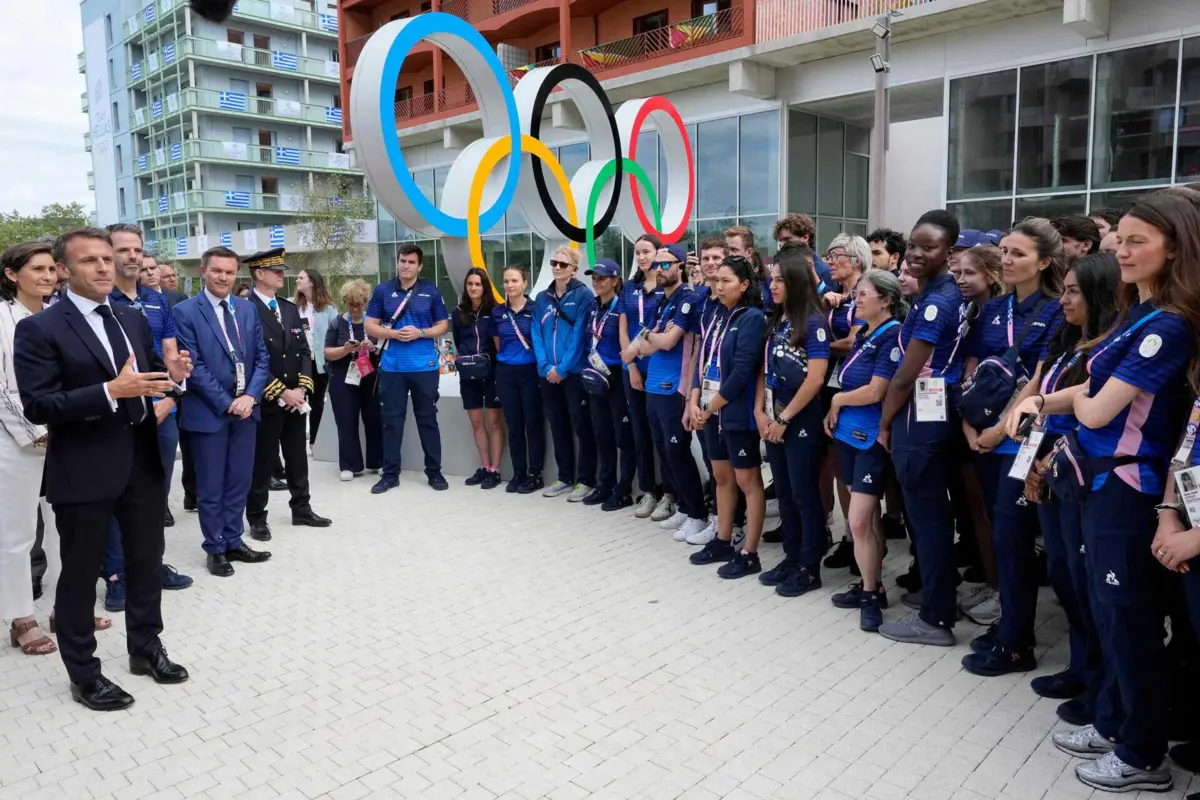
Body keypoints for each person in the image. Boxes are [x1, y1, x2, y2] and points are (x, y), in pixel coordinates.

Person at [1050, 194, 1200, 794]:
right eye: (1122, 240)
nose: (1122, 250)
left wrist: (1076, 403)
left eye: (1138, 241)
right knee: (1110, 616)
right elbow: (1087, 387)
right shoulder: (1139, 314)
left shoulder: (1168, 325)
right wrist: (1047, 399)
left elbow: (1098, 405)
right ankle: (1115, 721)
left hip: (1129, 486)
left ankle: (1141, 755)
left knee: (1129, 620)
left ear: (1177, 247)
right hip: (1104, 482)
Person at [13, 227, 191, 710]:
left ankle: (146, 649)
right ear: (65, 271)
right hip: (85, 467)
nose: (103, 268)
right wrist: (112, 392)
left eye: (107, 259)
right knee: (80, 574)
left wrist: (171, 381)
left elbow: (150, 375)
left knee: (145, 563)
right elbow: (38, 404)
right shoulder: (39, 329)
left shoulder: (132, 318)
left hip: (141, 460)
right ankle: (84, 674)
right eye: (90, 261)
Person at [1006, 251, 1119, 727]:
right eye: (1065, 289)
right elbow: (1040, 392)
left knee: (1086, 578)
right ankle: (1080, 668)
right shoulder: (1070, 339)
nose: (1064, 299)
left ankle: (1101, 685)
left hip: (1082, 469)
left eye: (1074, 291)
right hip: (1050, 467)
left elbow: (1092, 415)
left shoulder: (1112, 347)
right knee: (1065, 570)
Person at [959, 218, 1065, 676]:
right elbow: (974, 369)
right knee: (999, 535)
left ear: (1044, 261)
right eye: (1004, 250)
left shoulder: (1057, 309)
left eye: (1018, 253)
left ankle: (1018, 641)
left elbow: (1041, 378)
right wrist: (968, 425)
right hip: (982, 437)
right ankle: (1010, 624)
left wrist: (1000, 431)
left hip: (1022, 441)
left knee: (1013, 538)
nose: (1006, 259)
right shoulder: (994, 309)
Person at [877, 209, 967, 647]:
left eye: (928, 247)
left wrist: (884, 422)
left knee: (928, 521)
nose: (914, 254)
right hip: (929, 417)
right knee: (930, 519)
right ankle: (938, 597)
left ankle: (935, 618)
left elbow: (905, 375)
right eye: (913, 244)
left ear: (949, 252)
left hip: (919, 419)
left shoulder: (936, 302)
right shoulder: (941, 293)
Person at [103, 223, 193, 608]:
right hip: (114, 414)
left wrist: (170, 397)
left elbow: (170, 358)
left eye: (137, 249)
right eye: (123, 249)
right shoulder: (98, 301)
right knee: (114, 495)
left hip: (161, 409)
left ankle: (151, 564)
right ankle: (116, 573)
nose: (132, 256)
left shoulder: (157, 301)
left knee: (153, 493)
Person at [172, 246, 273, 578]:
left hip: (246, 411)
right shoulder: (186, 312)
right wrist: (227, 401)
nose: (223, 277)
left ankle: (233, 539)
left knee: (239, 481)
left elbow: (261, 358)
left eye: (230, 272)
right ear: (203, 271)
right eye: (217, 271)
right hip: (209, 412)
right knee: (211, 485)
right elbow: (194, 366)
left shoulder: (245, 309)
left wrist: (250, 397)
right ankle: (214, 548)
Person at [823, 269, 905, 631]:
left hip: (872, 438)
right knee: (866, 519)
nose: (855, 299)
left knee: (857, 520)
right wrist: (837, 408)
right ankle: (873, 585)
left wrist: (838, 399)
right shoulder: (865, 334)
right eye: (855, 294)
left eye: (863, 294)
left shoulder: (893, 335)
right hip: (848, 435)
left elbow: (876, 390)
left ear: (886, 300)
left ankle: (871, 592)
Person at [748, 244, 831, 597]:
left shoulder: (813, 321)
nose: (773, 286)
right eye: (771, 279)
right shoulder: (776, 319)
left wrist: (783, 417)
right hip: (773, 415)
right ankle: (791, 555)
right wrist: (760, 412)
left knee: (803, 493)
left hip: (801, 418)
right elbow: (764, 371)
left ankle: (809, 566)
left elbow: (816, 378)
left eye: (780, 280)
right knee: (783, 492)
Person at [687, 255, 767, 576]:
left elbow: (742, 371)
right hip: (709, 409)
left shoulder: (752, 319)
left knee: (748, 480)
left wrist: (709, 407)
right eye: (716, 281)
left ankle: (749, 552)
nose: (718, 287)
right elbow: (701, 358)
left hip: (734, 413)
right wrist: (694, 399)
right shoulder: (714, 313)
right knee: (721, 477)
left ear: (744, 285)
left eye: (726, 281)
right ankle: (723, 538)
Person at [243, 249, 331, 541]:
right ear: (258, 273)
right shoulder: (245, 308)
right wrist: (281, 392)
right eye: (275, 270)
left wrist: (302, 388)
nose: (282, 274)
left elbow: (304, 351)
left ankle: (302, 508)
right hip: (268, 399)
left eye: (282, 270)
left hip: (295, 398)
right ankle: (256, 516)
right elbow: (249, 358)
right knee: (262, 460)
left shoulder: (290, 308)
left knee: (297, 456)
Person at [1, 241, 62, 656]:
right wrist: (34, 433)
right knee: (18, 533)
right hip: (17, 441)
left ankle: (64, 607)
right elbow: (4, 388)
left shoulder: (57, 316)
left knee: (63, 526)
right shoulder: (4, 320)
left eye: (51, 269)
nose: (47, 276)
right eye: (36, 269)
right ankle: (21, 617)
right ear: (11, 274)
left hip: (65, 436)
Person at [629, 244, 707, 541]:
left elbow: (668, 342)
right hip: (653, 386)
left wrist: (648, 336)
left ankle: (698, 514)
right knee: (664, 450)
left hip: (673, 386)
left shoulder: (687, 300)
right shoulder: (663, 300)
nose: (659, 270)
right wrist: (650, 338)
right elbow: (650, 341)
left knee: (677, 450)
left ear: (680, 266)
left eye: (665, 265)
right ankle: (686, 509)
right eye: (656, 266)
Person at [366, 244, 449, 493]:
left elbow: (443, 325)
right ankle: (390, 474)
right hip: (392, 367)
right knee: (392, 422)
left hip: (424, 366)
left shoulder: (431, 292)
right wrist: (393, 334)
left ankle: (434, 472)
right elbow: (370, 325)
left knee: (428, 420)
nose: (406, 266)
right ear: (397, 262)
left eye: (411, 262)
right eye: (402, 261)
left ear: (420, 266)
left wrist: (420, 332)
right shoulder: (382, 291)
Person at [821, 234, 871, 574]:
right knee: (837, 467)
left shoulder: (867, 295)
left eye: (836, 256)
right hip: (832, 386)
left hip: (857, 391)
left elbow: (855, 342)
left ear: (855, 260)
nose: (830, 261)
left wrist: (815, 345)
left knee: (855, 474)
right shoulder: (840, 298)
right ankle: (850, 539)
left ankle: (863, 542)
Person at [532, 246, 596, 501]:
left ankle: (586, 479)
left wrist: (563, 368)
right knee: (558, 425)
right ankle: (565, 476)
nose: (557, 267)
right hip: (548, 374)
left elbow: (580, 335)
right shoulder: (542, 298)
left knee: (581, 426)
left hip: (573, 373)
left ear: (574, 269)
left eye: (563, 264)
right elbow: (536, 333)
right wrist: (546, 367)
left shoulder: (584, 296)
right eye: (554, 263)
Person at [619, 234, 670, 520]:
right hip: (635, 368)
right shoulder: (629, 288)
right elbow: (623, 328)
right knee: (641, 432)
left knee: (662, 434)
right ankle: (649, 490)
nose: (641, 257)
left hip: (661, 368)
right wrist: (631, 365)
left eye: (646, 252)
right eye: (637, 253)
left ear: (657, 253)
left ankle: (670, 493)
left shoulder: (666, 287)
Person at [580, 259, 634, 510]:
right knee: (601, 433)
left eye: (602, 278)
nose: (597, 282)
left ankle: (623, 490)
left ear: (615, 280)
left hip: (616, 374)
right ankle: (605, 484)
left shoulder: (621, 306)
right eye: (594, 277)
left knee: (622, 435)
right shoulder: (592, 307)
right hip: (595, 374)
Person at [324, 279, 383, 481]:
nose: (356, 309)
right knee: (346, 421)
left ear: (365, 303)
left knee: (374, 419)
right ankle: (350, 465)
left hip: (370, 376)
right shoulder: (336, 323)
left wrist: (373, 348)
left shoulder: (373, 323)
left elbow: (384, 349)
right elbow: (327, 352)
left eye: (360, 304)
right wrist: (345, 349)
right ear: (345, 303)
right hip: (344, 377)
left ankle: (378, 461)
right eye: (351, 305)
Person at [492, 265, 543, 493]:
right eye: (506, 281)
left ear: (524, 283)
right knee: (513, 426)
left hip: (530, 372)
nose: (510, 285)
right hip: (505, 373)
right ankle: (518, 473)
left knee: (532, 424)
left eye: (514, 281)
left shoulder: (536, 308)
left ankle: (535, 474)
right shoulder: (497, 312)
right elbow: (497, 343)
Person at [451, 268, 503, 489]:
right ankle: (484, 466)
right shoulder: (458, 312)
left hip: (491, 372)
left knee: (494, 421)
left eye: (478, 284)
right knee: (476, 422)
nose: (473, 288)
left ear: (485, 287)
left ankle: (495, 469)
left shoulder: (495, 310)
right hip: (469, 373)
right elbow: (456, 338)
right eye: (470, 284)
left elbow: (499, 344)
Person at [295, 269, 339, 447]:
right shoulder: (294, 307)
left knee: (317, 401)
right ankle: (296, 442)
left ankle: (315, 441)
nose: (297, 280)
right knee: (298, 402)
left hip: (320, 362)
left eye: (301, 278)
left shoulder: (329, 308)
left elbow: (336, 334)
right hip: (299, 362)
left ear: (312, 282)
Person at [774, 214, 836, 291]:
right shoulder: (781, 267)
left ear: (805, 237)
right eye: (780, 241)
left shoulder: (824, 271)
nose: (782, 245)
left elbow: (828, 300)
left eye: (787, 239)